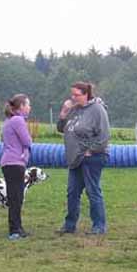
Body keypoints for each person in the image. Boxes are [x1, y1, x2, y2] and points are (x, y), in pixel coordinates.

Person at [56, 81, 110, 235]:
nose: (73, 97)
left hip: (92, 157)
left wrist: (91, 151)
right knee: (72, 192)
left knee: (92, 191)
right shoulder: (74, 109)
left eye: (76, 95)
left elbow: (104, 135)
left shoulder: (97, 110)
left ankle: (99, 226)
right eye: (71, 94)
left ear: (86, 94)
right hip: (75, 158)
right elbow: (61, 128)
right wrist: (64, 112)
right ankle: (69, 225)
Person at [0, 94, 33, 241]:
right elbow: (27, 141)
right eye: (28, 105)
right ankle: (14, 230)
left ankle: (18, 228)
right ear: (21, 107)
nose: (29, 107)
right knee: (16, 198)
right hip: (15, 162)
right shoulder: (18, 120)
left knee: (15, 197)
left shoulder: (8, 121)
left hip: (8, 162)